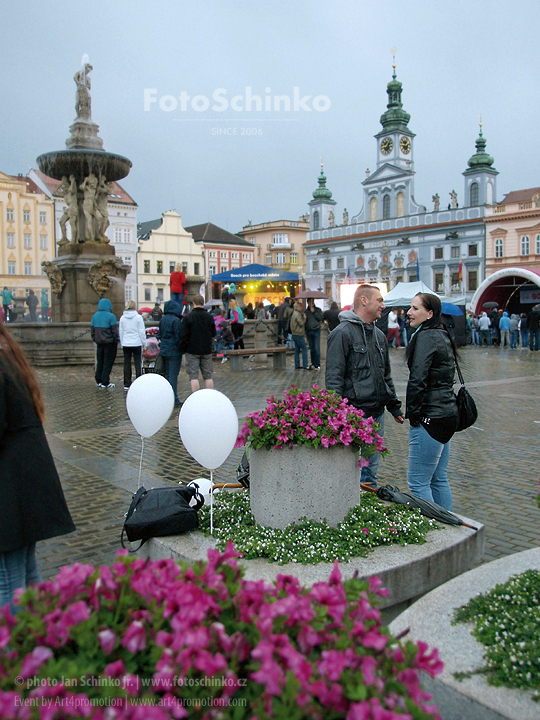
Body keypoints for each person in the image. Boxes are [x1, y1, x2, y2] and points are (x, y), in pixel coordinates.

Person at [0, 320, 75, 611]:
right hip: (26, 477)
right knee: (28, 574)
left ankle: (13, 652)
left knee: (8, 581)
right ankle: (42, 641)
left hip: (10, 486)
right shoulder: (9, 353)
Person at [325, 284, 404, 488]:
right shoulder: (341, 333)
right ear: (363, 301)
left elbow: (385, 375)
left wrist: (394, 406)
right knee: (348, 470)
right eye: (379, 300)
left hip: (376, 414)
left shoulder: (378, 335)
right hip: (352, 414)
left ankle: (366, 511)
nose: (383, 306)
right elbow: (334, 377)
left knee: (370, 472)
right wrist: (336, 414)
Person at [405, 293, 459, 511]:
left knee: (418, 482)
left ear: (430, 313)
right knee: (438, 477)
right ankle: (448, 525)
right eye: (410, 307)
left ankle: (433, 528)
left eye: (415, 308)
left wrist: (413, 413)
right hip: (447, 412)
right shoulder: (442, 333)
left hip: (430, 415)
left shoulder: (426, 337)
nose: (409, 312)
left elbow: (418, 378)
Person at [179, 294, 216, 393]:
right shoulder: (209, 317)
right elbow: (214, 333)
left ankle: (195, 397)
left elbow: (183, 335)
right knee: (208, 375)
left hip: (192, 350)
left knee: (193, 376)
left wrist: (182, 348)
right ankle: (210, 396)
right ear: (203, 303)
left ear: (193, 303)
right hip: (206, 349)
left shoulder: (188, 317)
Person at [157, 300, 184, 406]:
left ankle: (167, 397)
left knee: (167, 375)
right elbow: (178, 337)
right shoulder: (176, 321)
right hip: (174, 351)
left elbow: (159, 334)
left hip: (164, 350)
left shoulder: (162, 319)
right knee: (173, 375)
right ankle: (173, 399)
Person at [91, 298, 119, 388]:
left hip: (99, 343)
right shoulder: (111, 316)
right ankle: (105, 381)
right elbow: (114, 331)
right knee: (108, 362)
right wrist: (116, 340)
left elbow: (92, 331)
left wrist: (96, 339)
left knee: (100, 362)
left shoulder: (95, 316)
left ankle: (98, 379)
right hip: (109, 343)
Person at [119, 300, 146, 391]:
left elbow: (121, 332)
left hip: (126, 343)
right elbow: (141, 331)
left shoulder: (123, 318)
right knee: (138, 363)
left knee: (127, 363)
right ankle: (138, 381)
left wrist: (122, 343)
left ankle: (127, 383)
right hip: (137, 342)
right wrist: (144, 343)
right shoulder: (138, 317)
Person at [305, 298, 323, 370]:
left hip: (316, 330)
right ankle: (313, 363)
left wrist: (314, 312)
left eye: (312, 301)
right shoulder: (306, 311)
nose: (311, 303)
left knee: (316, 348)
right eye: (309, 302)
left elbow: (321, 318)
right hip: (309, 331)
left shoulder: (318, 310)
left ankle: (317, 364)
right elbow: (305, 322)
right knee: (312, 349)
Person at [290, 300, 309, 370]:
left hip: (294, 333)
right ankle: (305, 364)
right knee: (304, 348)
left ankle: (297, 364)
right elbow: (301, 323)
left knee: (297, 350)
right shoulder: (297, 314)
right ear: (298, 307)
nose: (301, 308)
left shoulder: (293, 313)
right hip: (299, 333)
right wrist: (304, 319)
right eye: (300, 306)